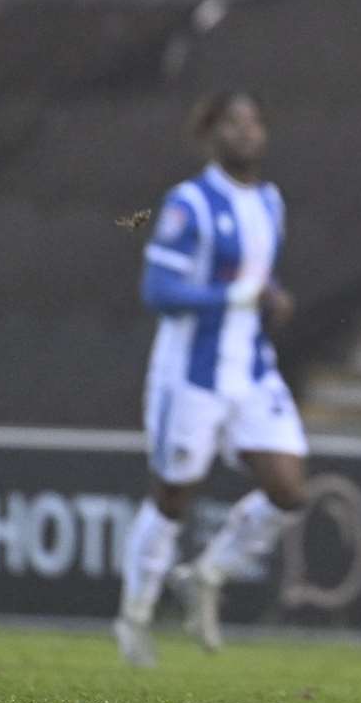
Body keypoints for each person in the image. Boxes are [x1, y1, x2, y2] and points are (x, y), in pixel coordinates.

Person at [115, 91, 307, 667]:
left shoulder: (271, 201)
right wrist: (239, 295)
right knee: (175, 496)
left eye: (254, 122)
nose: (246, 132)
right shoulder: (188, 204)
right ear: (211, 134)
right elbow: (159, 291)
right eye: (233, 123)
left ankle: (207, 572)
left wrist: (270, 298)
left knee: (290, 490)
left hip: (249, 369)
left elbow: (256, 279)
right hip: (191, 374)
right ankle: (135, 615)